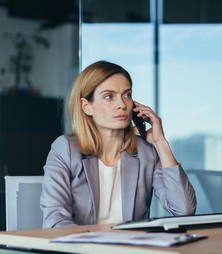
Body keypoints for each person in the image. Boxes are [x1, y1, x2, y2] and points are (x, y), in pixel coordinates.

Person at [40, 60, 197, 228]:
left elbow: (184, 210)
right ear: (87, 107)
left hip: (132, 250)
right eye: (109, 96)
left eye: (127, 95)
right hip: (83, 249)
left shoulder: (146, 153)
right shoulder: (65, 149)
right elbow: (55, 220)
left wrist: (160, 143)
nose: (122, 104)